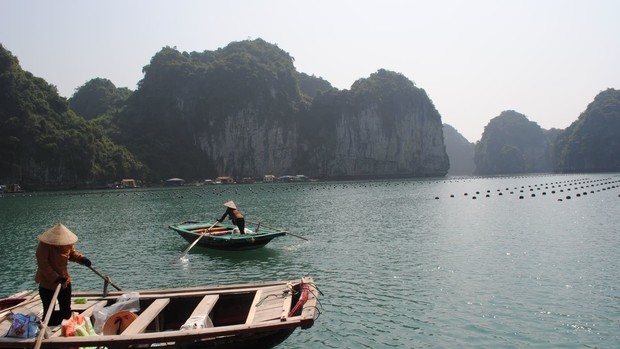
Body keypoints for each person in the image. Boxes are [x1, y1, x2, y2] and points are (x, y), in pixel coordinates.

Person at [34, 223, 91, 326]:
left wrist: (82, 259)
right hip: (48, 284)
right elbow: (43, 264)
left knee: (66, 310)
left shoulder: (67, 243)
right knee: (48, 311)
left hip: (64, 282)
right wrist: (55, 277)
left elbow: (72, 254)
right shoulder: (44, 245)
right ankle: (47, 333)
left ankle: (66, 330)